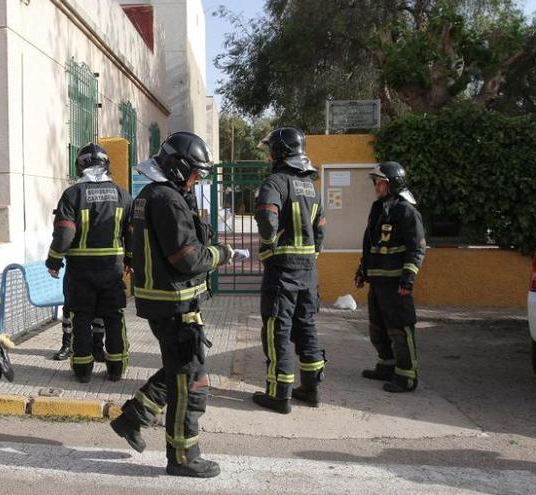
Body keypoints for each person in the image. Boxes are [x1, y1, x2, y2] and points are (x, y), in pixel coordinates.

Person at [110, 131, 240, 478]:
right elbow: (187, 257)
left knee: (181, 370)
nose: (198, 180)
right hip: (174, 304)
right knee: (190, 382)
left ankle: (132, 417)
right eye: (195, 173)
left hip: (164, 302)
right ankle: (182, 457)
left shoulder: (151, 195)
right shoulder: (166, 199)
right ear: (179, 168)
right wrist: (221, 254)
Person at [252, 127, 327, 414]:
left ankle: (279, 394)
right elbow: (320, 232)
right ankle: (311, 389)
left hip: (281, 272)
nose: (269, 154)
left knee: (277, 330)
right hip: (308, 272)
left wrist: (270, 242)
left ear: (280, 152)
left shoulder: (275, 182)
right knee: (306, 326)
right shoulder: (311, 186)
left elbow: (267, 222)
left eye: (271, 149)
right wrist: (309, 257)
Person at [46, 143, 133, 382]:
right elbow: (132, 232)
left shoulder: (72, 195)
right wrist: (131, 259)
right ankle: (116, 369)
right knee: (114, 316)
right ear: (107, 165)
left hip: (80, 272)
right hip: (112, 270)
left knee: (80, 318)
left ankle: (83, 371)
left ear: (79, 166)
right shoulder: (122, 194)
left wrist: (53, 260)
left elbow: (64, 234)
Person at [355, 161, 425, 393]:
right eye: (376, 182)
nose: (377, 186)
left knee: (399, 328)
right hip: (378, 281)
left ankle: (406, 376)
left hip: (396, 283)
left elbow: (416, 249)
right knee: (378, 327)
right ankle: (387, 365)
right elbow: (370, 244)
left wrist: (408, 279)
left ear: (393, 184)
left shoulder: (407, 212)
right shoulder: (378, 209)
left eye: (381, 182)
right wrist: (362, 270)